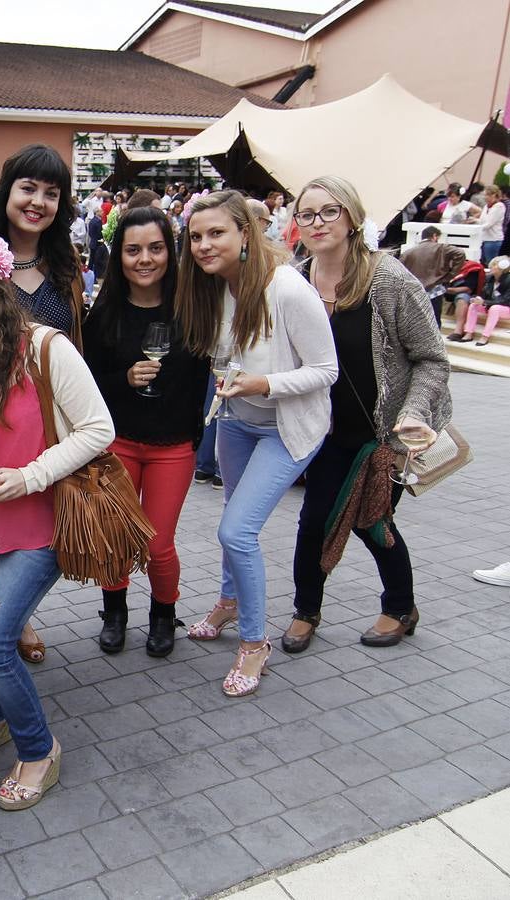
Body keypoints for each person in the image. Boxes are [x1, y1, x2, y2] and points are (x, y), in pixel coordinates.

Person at [0, 236, 113, 809]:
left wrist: (29, 476)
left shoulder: (45, 348)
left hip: (43, 525)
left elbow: (98, 429)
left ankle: (39, 749)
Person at [177, 190, 337, 697]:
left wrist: (264, 384)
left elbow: (326, 370)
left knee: (235, 531)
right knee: (231, 512)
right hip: (238, 422)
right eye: (196, 236)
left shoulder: (286, 288)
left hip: (287, 429)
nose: (204, 245)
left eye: (216, 233)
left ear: (245, 233)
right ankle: (228, 601)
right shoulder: (214, 288)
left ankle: (254, 641)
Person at [285, 175, 450, 652]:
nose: (317, 222)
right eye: (307, 213)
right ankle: (305, 611)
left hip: (383, 433)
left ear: (352, 217)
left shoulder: (390, 279)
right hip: (325, 431)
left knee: (370, 520)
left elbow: (432, 357)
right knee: (315, 519)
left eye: (329, 211)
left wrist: (414, 415)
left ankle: (400, 605)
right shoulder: (296, 280)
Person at [83, 207, 208, 658]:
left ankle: (162, 613)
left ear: (170, 253)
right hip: (118, 442)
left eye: (155, 248)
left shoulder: (192, 309)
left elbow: (202, 379)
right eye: (133, 250)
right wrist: (124, 380)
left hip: (172, 445)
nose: (144, 259)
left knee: (157, 544)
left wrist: (197, 436)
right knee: (116, 535)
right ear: (118, 256)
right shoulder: (103, 315)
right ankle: (113, 612)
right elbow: (89, 383)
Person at [0, 143, 87, 665]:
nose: (38, 201)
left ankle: (14, 615)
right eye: (29, 188)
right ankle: (6, 624)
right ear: (8, 193)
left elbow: (78, 350)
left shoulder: (66, 271)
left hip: (47, 431)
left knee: (43, 536)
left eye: (52, 193)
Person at [400, 225, 466, 326]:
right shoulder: (442, 248)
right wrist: (450, 275)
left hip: (413, 290)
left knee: (415, 323)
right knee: (434, 321)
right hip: (435, 288)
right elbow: (460, 253)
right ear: (435, 236)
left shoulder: (408, 252)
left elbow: (400, 271)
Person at [455, 255, 510, 345]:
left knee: (495, 308)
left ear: (503, 267)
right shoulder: (489, 278)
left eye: (494, 265)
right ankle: (469, 333)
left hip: (506, 308)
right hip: (490, 305)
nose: (491, 267)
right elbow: (484, 294)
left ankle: (485, 336)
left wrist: (485, 302)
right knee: (474, 305)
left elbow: (506, 301)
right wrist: (477, 298)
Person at [477, 185, 506, 265]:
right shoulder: (486, 206)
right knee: (482, 262)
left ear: (493, 195)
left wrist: (477, 228)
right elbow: (482, 220)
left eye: (487, 195)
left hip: (493, 240)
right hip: (483, 239)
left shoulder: (499, 206)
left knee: (491, 263)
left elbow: (489, 224)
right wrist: (474, 221)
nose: (485, 197)